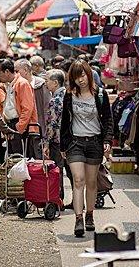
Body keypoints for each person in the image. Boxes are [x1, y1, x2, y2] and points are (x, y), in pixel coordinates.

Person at [61, 60, 114, 237]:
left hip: (94, 143)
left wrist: (107, 140)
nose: (80, 80)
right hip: (75, 143)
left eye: (82, 75)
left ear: (88, 74)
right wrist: (63, 145)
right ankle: (78, 219)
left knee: (91, 183)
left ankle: (90, 215)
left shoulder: (100, 94)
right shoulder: (69, 96)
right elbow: (64, 122)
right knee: (78, 179)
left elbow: (108, 119)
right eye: (76, 77)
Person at [0, 58, 38, 157]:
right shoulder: (9, 85)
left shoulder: (22, 83)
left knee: (20, 158)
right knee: (13, 158)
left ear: (7, 71)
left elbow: (27, 108)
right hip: (12, 125)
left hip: (20, 126)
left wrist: (19, 128)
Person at [43, 69, 67, 201]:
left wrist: (46, 142)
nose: (45, 84)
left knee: (57, 169)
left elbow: (52, 123)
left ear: (55, 82)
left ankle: (58, 198)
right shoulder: (69, 95)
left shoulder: (56, 100)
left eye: (47, 81)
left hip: (57, 141)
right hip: (70, 139)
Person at [15, 58, 51, 138]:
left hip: (40, 126)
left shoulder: (41, 84)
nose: (15, 74)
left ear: (25, 70)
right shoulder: (18, 85)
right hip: (26, 128)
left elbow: (47, 107)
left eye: (17, 71)